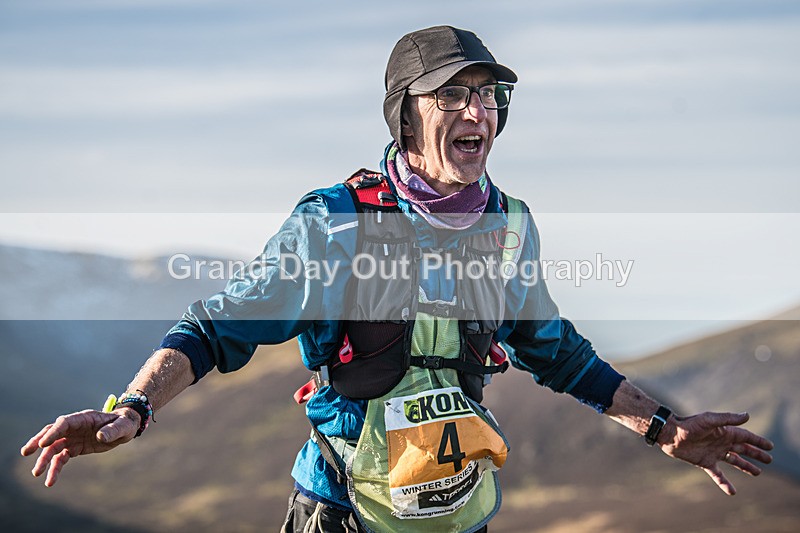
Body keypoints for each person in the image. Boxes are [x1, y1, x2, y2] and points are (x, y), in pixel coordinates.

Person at [21, 26, 774, 533]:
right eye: (453, 94)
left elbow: (556, 350)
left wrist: (659, 426)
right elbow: (217, 329)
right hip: (341, 514)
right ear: (404, 117)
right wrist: (132, 408)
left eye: (488, 96)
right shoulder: (339, 223)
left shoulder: (506, 225)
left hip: (463, 516)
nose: (476, 109)